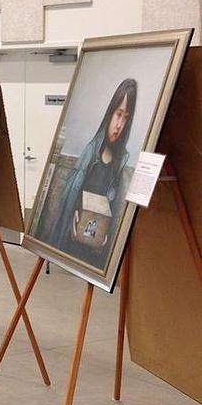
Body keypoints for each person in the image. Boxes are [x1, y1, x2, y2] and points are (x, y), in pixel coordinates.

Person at [49, 78, 137, 267]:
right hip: (73, 242)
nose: (120, 125)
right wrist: (72, 218)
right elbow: (69, 199)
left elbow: (113, 209)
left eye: (126, 118)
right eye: (118, 114)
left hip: (96, 252)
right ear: (110, 113)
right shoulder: (90, 153)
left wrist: (105, 236)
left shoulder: (119, 163)